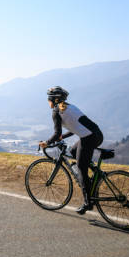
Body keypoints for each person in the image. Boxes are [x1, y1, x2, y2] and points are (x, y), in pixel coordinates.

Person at [39, 86, 104, 215]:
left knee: (80, 167)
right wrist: (62, 137)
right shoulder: (69, 107)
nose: (48, 101)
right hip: (96, 134)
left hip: (88, 138)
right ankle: (89, 179)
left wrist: (46, 143)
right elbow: (76, 126)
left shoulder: (57, 111)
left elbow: (57, 133)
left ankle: (88, 202)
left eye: (49, 99)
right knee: (74, 152)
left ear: (55, 99)